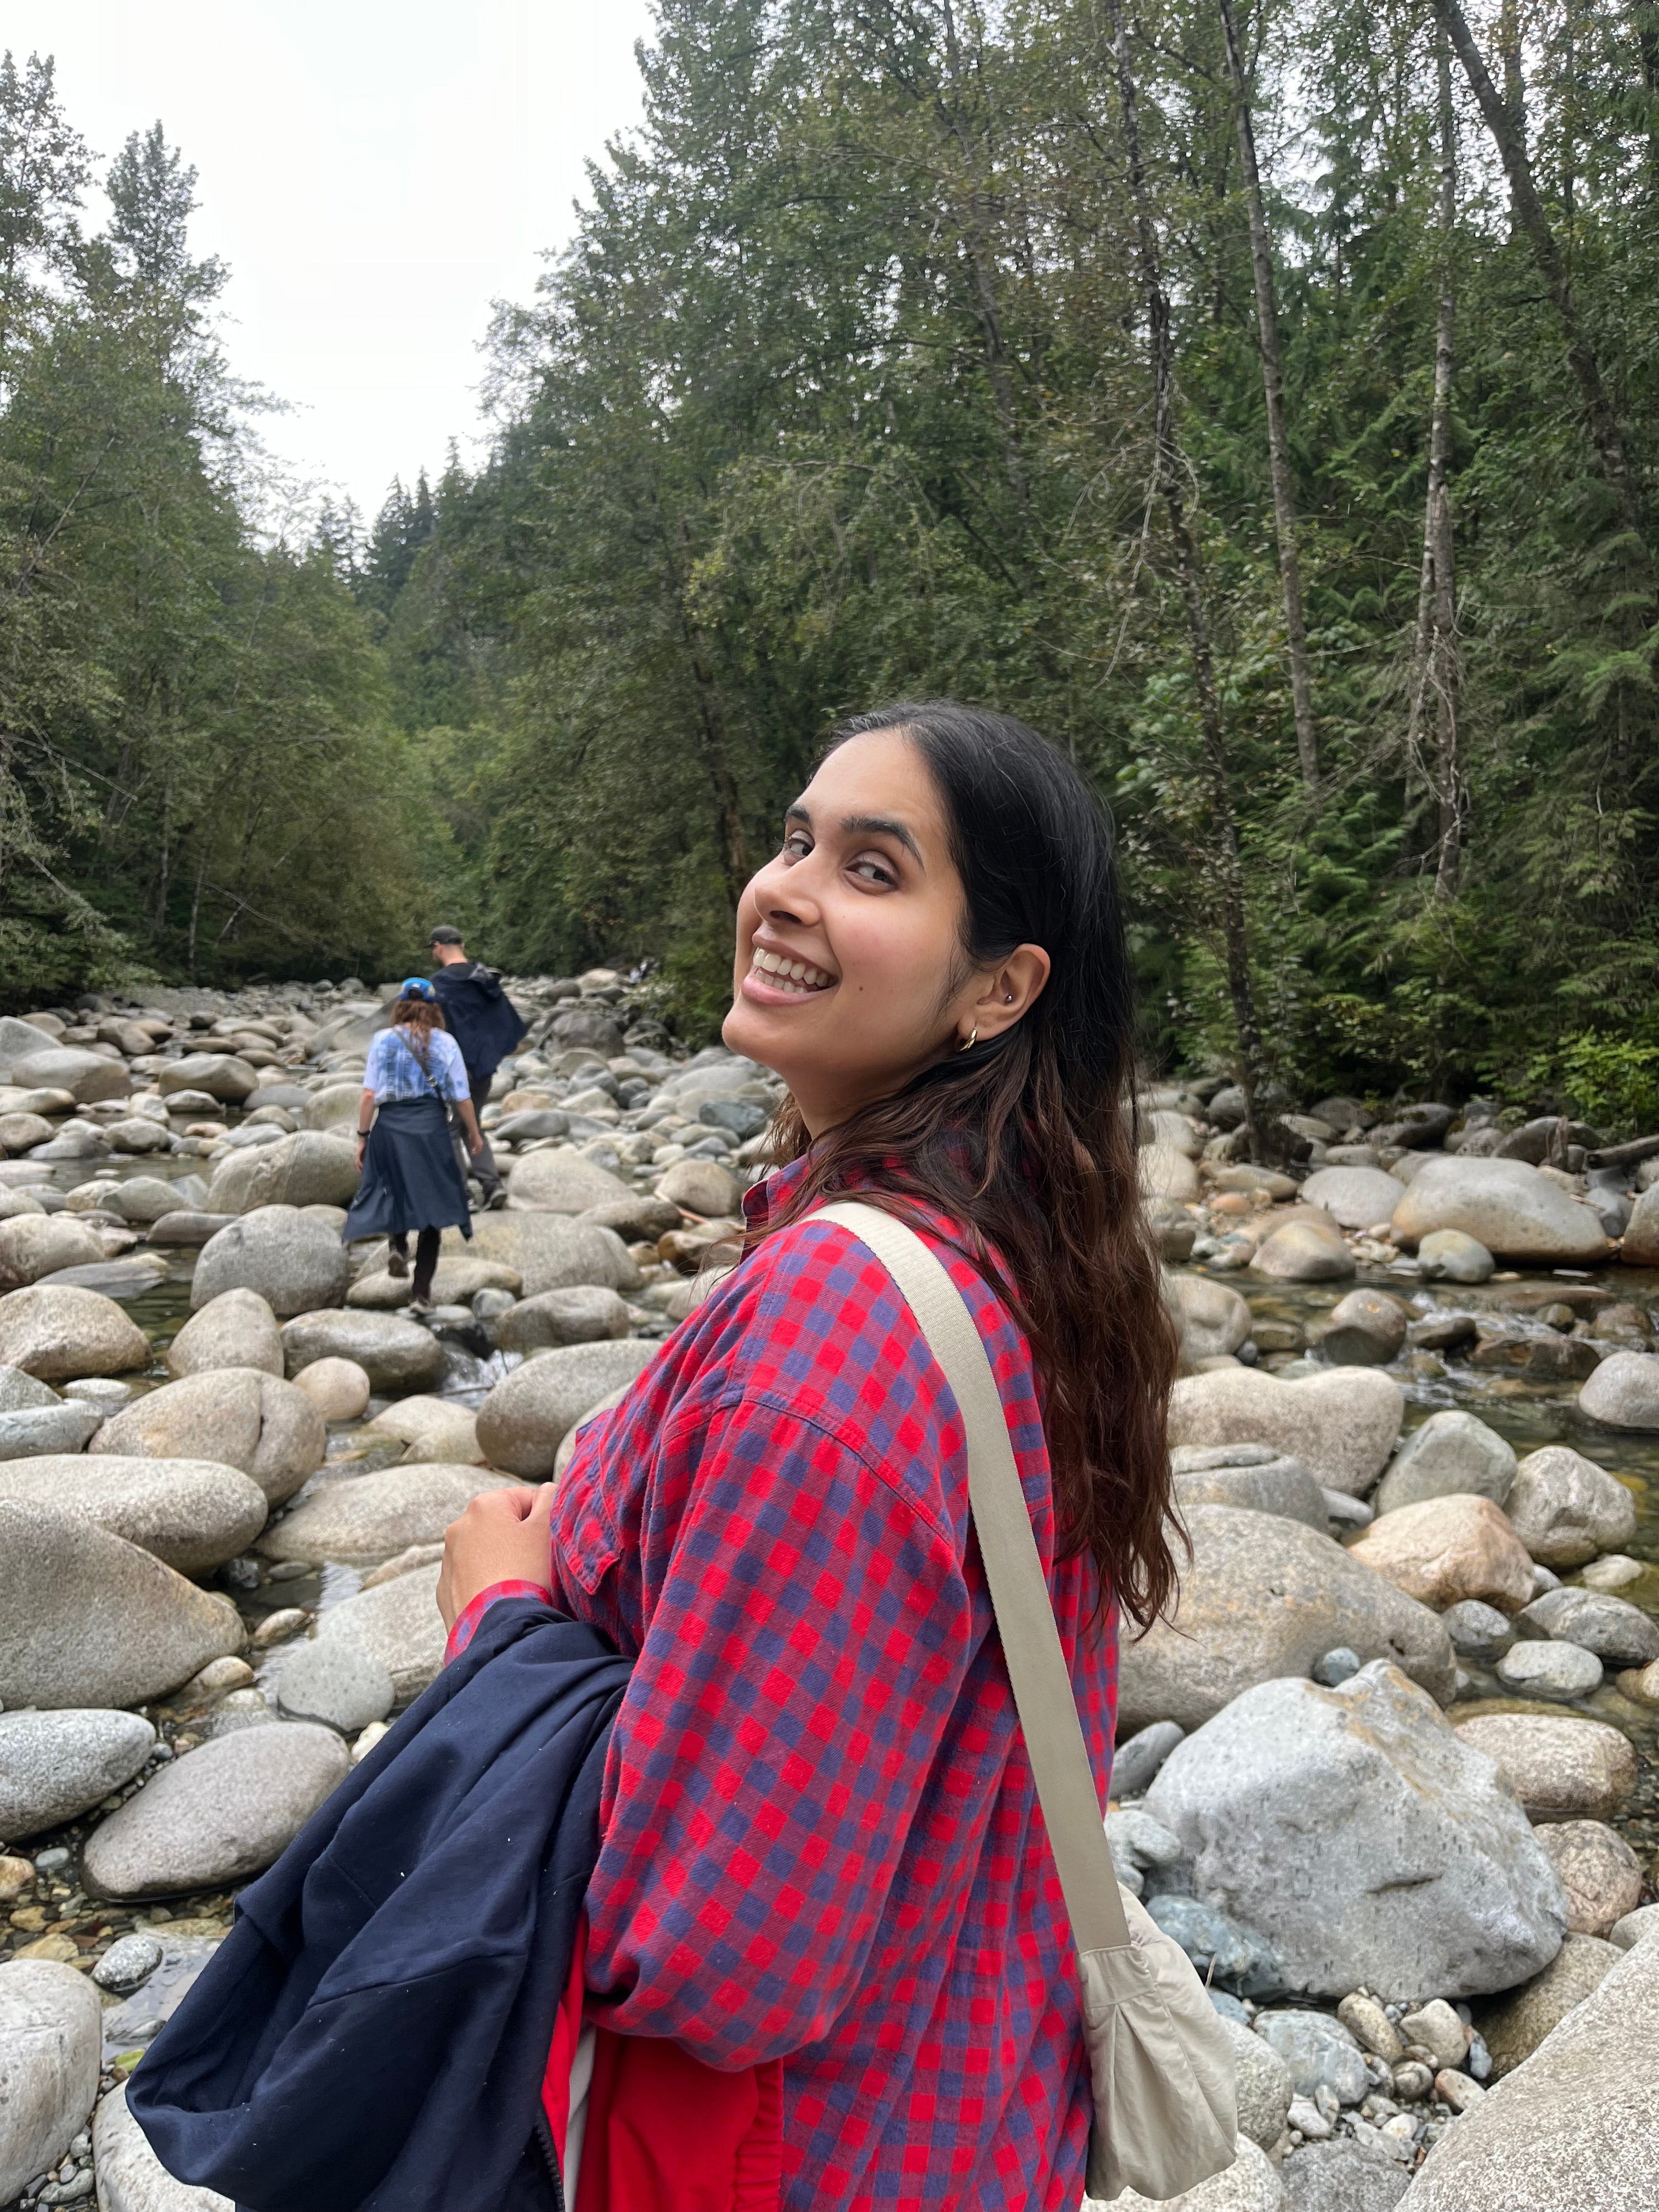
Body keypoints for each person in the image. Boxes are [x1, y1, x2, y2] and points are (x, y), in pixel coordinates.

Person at [437, 702, 1180, 2209]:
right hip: (964, 2109)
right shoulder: (1025, 1258)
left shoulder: (838, 1334)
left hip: (800, 2158)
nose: (785, 889)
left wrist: (500, 1621)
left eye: (873, 868)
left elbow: (717, 1959)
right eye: (795, 841)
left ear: (997, 991)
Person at [342, 979, 483, 1314]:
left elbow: (367, 1096)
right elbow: (461, 1096)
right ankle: (421, 1295)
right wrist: (474, 1134)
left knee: (394, 1189)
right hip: (430, 1127)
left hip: (390, 1126)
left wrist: (363, 1138)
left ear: (400, 1006)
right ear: (434, 1008)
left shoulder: (382, 1040)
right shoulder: (446, 1042)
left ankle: (397, 1244)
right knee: (433, 1206)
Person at [427, 925, 527, 1209]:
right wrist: (489, 1058)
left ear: (437, 947)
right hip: (483, 1072)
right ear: (462, 944)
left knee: (448, 1129)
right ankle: (493, 1186)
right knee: (472, 1126)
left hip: (456, 1069)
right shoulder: (485, 980)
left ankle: (463, 1196)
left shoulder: (441, 983)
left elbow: (435, 1031)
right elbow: (510, 1025)